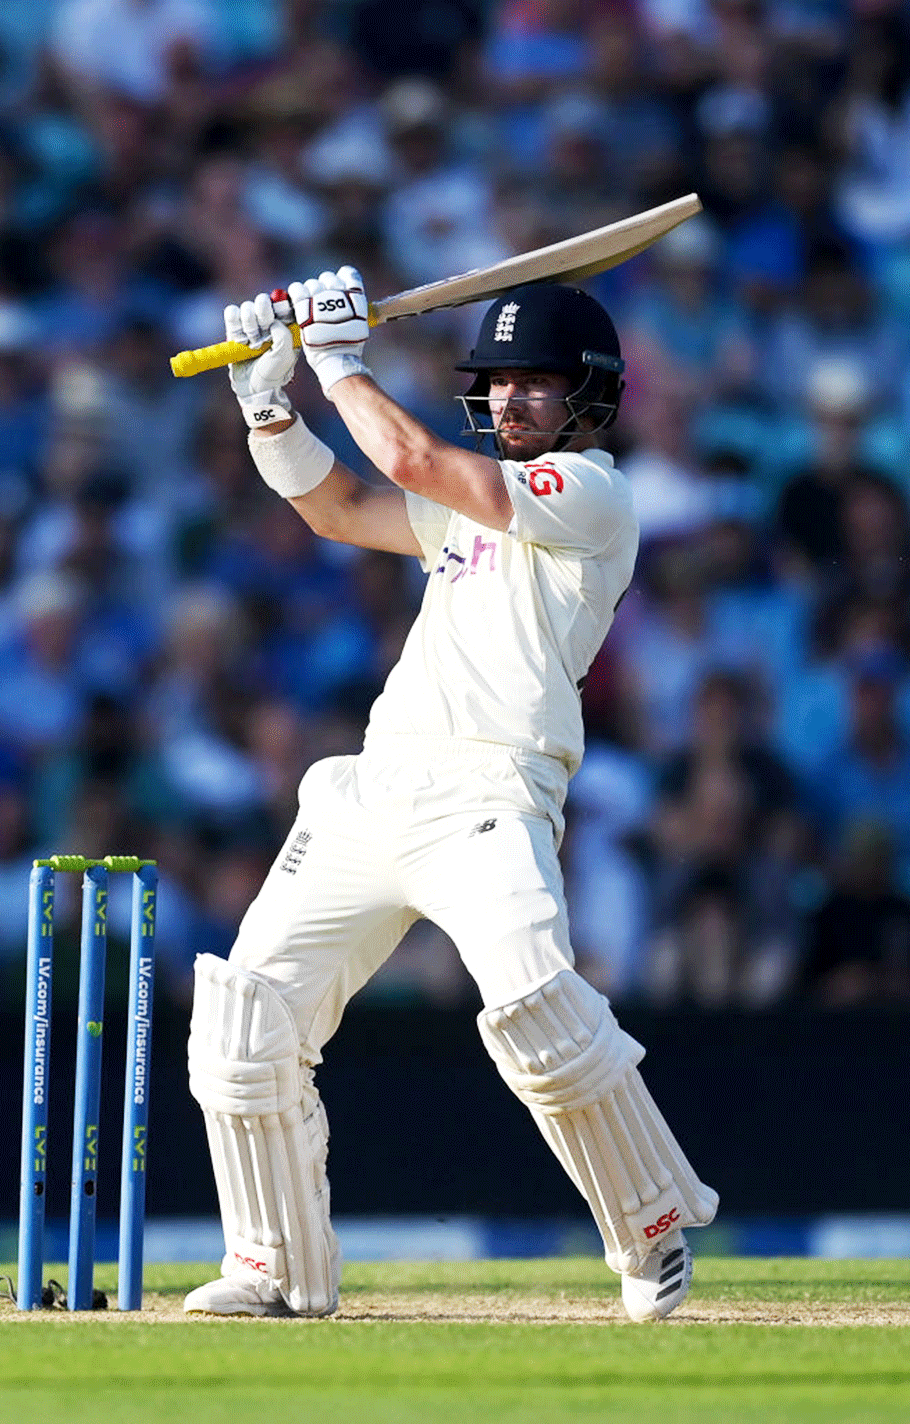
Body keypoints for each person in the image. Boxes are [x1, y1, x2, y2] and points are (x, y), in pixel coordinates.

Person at [184, 268, 717, 1323]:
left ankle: (651, 1222)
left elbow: (416, 457)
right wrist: (267, 400)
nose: (512, 400)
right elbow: (337, 506)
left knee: (533, 1006)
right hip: (376, 785)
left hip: (492, 786)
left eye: (535, 384)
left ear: (592, 397)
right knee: (247, 1015)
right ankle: (273, 1265)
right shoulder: (462, 518)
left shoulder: (596, 496)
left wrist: (340, 362)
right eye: (500, 382)